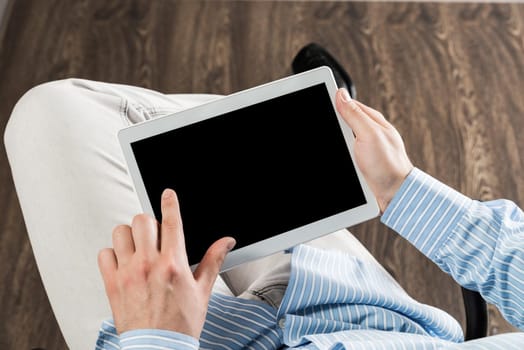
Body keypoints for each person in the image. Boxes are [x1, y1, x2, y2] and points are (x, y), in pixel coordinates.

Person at [4, 44, 523, 350]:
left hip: (185, 339)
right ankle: (286, 117)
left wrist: (157, 338)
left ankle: (279, 115)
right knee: (220, 153)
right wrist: (401, 188)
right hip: (370, 317)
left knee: (49, 112)